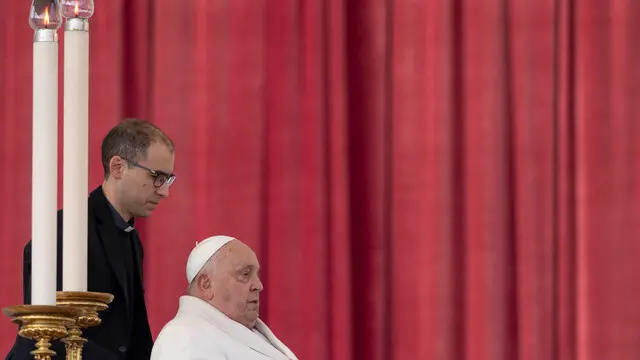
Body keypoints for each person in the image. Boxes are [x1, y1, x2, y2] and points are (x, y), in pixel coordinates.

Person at [6, 118, 176, 360]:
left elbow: (131, 333)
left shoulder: (130, 238)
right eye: (157, 176)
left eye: (168, 179)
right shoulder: (64, 229)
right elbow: (46, 329)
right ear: (117, 166)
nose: (164, 191)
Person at [150, 235, 298, 360]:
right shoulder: (182, 337)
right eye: (245, 274)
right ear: (206, 285)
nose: (258, 285)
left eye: (256, 275)